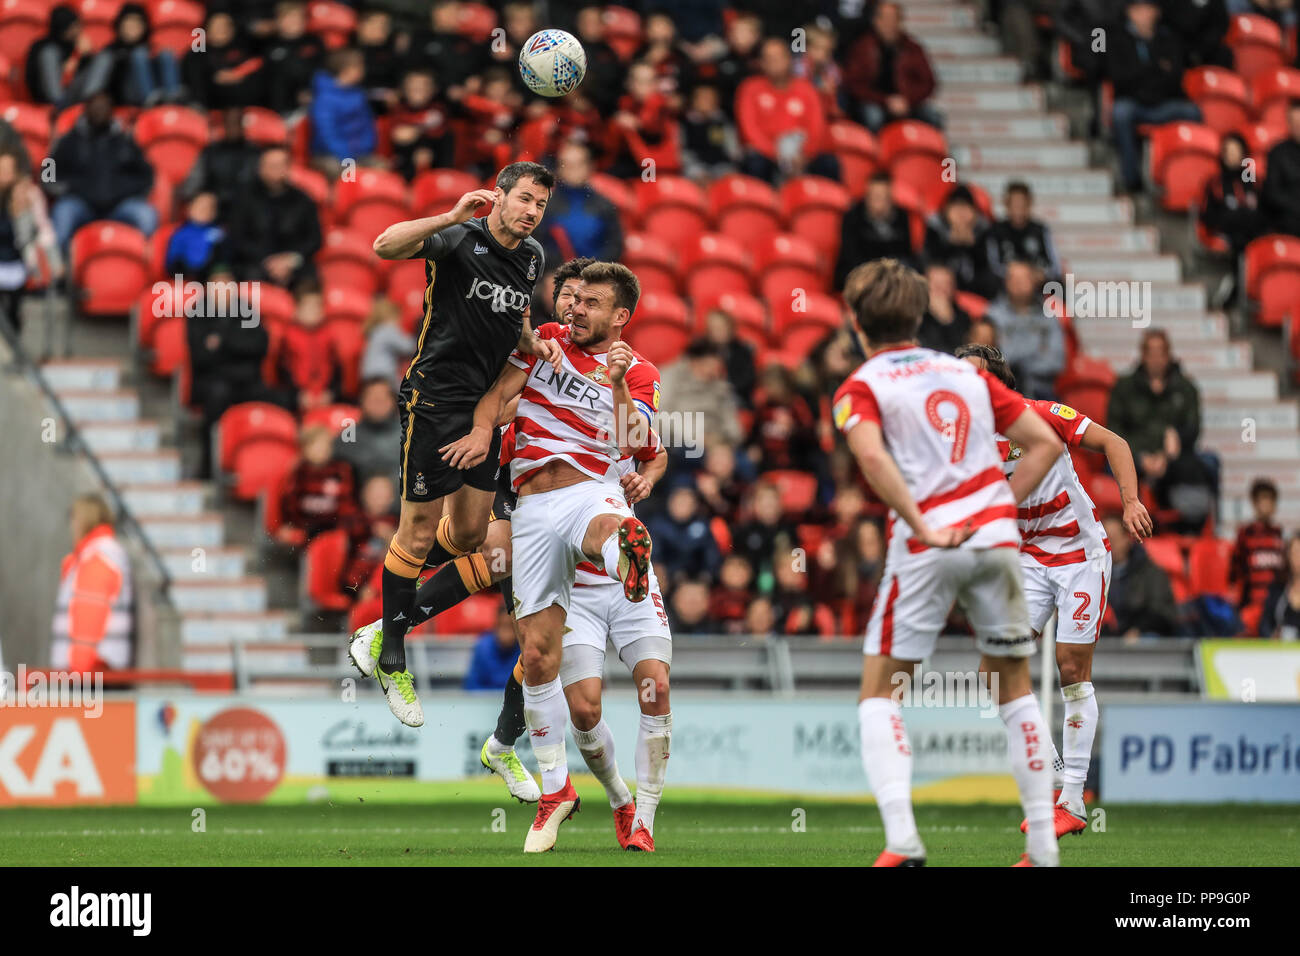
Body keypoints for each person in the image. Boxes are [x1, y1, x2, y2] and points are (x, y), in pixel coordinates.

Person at [833, 257, 1065, 867]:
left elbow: (874, 463)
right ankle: (1043, 848)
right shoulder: (967, 373)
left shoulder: (861, 386)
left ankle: (904, 841)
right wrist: (998, 508)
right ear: (920, 314)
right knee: (1014, 686)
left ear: (857, 322)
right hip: (995, 540)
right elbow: (1046, 442)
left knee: (881, 691)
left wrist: (922, 524)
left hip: (925, 544)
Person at [433, 261, 661, 853]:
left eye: (591, 303)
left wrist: (613, 383)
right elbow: (497, 385)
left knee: (608, 525)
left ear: (620, 317)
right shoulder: (541, 342)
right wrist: (487, 424)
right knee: (536, 655)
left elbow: (637, 444)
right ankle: (557, 791)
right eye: (572, 297)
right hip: (531, 504)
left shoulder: (638, 371)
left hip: (592, 488)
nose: (575, 308)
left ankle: (624, 558)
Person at [358, 161, 559, 726]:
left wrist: (532, 343)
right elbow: (382, 245)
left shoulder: (533, 257)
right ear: (497, 196)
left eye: (540, 205)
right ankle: (391, 656)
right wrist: (446, 215)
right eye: (523, 199)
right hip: (434, 401)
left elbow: (511, 320)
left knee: (471, 535)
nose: (530, 211)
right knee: (418, 531)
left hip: (484, 410)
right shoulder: (459, 237)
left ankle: (387, 621)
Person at [958, 343, 1152, 838]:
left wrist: (1129, 501)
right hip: (1028, 560)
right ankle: (1056, 780)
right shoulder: (965, 443)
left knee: (1070, 667)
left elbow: (1116, 443)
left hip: (1081, 556)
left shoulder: (1041, 416)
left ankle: (1072, 801)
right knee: (994, 671)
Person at [1106, 329, 1213, 529]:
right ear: (1143, 355)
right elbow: (1114, 429)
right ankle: (1123, 527)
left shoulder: (1186, 387)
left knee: (1208, 464)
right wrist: (1140, 457)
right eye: (1151, 353)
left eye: (1161, 353)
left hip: (1173, 461)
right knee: (1110, 465)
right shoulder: (1124, 387)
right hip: (1132, 457)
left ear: (1169, 355)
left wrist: (1176, 439)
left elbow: (1193, 428)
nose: (1156, 359)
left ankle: (1193, 529)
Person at [1108, 1, 1202, 193]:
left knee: (1192, 112)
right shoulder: (1116, 38)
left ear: (1156, 13)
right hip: (1134, 103)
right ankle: (1131, 178)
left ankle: (1187, 178)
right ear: (1130, 13)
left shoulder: (1169, 38)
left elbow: (1175, 77)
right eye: (1138, 9)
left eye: (1148, 9)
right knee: (1120, 113)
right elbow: (1118, 78)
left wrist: (1144, 74)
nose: (1143, 15)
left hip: (1163, 103)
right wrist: (1154, 69)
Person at [48, 92, 157, 250]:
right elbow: (47, 169)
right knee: (63, 214)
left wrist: (129, 190)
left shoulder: (125, 141)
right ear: (85, 110)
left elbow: (147, 173)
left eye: (104, 107)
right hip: (80, 203)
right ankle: (60, 270)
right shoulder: (69, 140)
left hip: (120, 205)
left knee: (146, 216)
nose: (100, 111)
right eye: (95, 107)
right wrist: (65, 188)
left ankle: (143, 267)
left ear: (112, 112)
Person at [735, 37, 839, 183]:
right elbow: (749, 130)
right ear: (761, 63)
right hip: (767, 153)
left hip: (802, 153)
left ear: (789, 59)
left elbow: (817, 128)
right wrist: (777, 154)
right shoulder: (750, 88)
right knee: (755, 163)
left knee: (829, 163)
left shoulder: (806, 88)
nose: (774, 62)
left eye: (779, 57)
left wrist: (805, 154)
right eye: (769, 58)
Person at [51, 494, 133, 673]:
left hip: (90, 671)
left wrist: (78, 672)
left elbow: (88, 617)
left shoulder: (96, 558)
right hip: (95, 669)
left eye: (72, 518)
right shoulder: (102, 554)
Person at [841, 2, 941, 132]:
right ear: (876, 21)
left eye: (894, 19)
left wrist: (907, 100)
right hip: (874, 101)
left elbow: (928, 82)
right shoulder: (862, 47)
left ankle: (926, 151)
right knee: (873, 116)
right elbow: (853, 83)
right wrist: (885, 100)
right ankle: (873, 151)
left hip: (906, 102)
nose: (890, 24)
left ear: (900, 22)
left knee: (933, 117)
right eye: (886, 19)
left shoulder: (912, 48)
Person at [229, 145, 321, 287]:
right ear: (260, 168)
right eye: (270, 165)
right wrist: (268, 261)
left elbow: (314, 239)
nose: (275, 170)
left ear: (288, 168)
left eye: (279, 165)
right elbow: (237, 238)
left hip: (293, 263)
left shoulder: (303, 200)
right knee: (248, 278)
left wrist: (290, 260)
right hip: (255, 262)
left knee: (310, 282)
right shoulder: (244, 199)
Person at [0, 149, 63, 336]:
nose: (2, 175)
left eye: (6, 170)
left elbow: (44, 232)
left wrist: (56, 262)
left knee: (13, 308)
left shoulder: (29, 195)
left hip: (19, 263)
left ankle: (14, 340)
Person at [984, 259, 1065, 400]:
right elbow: (995, 360)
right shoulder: (994, 314)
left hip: (1042, 389)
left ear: (1034, 280)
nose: (1018, 284)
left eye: (1023, 278)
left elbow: (1056, 360)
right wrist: (1037, 351)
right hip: (1005, 389)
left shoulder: (1049, 313)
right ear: (1005, 281)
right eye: (1013, 278)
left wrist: (1018, 364)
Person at [1202, 131, 1266, 306]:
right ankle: (1237, 290)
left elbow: (1262, 213)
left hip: (1251, 234)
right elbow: (1209, 217)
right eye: (1228, 152)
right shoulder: (1215, 183)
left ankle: (1243, 289)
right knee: (1240, 243)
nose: (1232, 156)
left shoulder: (1254, 183)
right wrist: (1237, 217)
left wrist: (1242, 216)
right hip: (1227, 233)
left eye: (1236, 151)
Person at [534, 140, 623, 265]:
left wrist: (594, 270)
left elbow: (615, 246)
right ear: (559, 168)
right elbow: (536, 245)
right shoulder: (545, 206)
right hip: (556, 277)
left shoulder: (604, 205)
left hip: (596, 277)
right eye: (567, 165)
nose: (573, 170)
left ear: (590, 167)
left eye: (578, 164)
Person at [1100, 514, 1180, 637]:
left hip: (1144, 636)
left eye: (1114, 539)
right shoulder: (1093, 574)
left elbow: (1162, 612)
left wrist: (1138, 630)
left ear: (1127, 540)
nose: (1110, 545)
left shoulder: (1151, 573)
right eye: (1105, 540)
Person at [178, 108, 261, 224]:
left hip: (245, 204)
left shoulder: (255, 153)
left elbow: (261, 185)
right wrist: (198, 197)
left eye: (236, 123)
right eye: (229, 123)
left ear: (243, 126)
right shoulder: (210, 151)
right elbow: (193, 184)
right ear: (224, 125)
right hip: (214, 204)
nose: (233, 128)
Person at [834, 173, 918, 289]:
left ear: (891, 198)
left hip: (894, 281)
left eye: (884, 198)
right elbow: (850, 258)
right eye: (875, 197)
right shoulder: (852, 217)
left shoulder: (902, 217)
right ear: (867, 197)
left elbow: (906, 255)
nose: (879, 204)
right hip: (861, 281)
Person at [277, 425, 356, 544]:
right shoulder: (299, 472)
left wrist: (344, 526)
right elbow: (290, 501)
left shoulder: (340, 470)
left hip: (333, 525)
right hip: (306, 525)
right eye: (315, 445)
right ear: (304, 449)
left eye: (325, 445)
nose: (321, 449)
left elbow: (346, 502)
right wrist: (291, 524)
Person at [26, 5, 113, 108]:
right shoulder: (41, 47)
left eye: (77, 26)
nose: (76, 30)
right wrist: (71, 61)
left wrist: (86, 55)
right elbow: (33, 78)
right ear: (61, 29)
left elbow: (91, 77)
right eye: (72, 27)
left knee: (105, 57)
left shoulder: (80, 45)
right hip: (50, 97)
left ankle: (90, 107)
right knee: (49, 53)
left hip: (77, 95)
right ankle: (58, 105)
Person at [309, 48, 379, 175]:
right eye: (359, 66)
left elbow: (368, 125)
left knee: (382, 171)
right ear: (346, 69)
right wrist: (349, 159)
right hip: (331, 156)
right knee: (349, 176)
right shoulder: (324, 99)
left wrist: (365, 149)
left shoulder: (359, 94)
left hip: (360, 154)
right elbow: (328, 136)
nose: (363, 69)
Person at [922, 185, 999, 300]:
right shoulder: (935, 228)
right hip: (941, 293)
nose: (961, 214)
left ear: (975, 213)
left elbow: (989, 267)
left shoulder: (983, 229)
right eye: (956, 208)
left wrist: (971, 246)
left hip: (976, 293)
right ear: (946, 210)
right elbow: (929, 262)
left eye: (965, 208)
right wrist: (951, 244)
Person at [1231, 478, 1287, 629]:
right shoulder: (1245, 535)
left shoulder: (1279, 535)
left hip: (1274, 606)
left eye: (1271, 500)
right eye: (1263, 500)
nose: (1267, 505)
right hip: (1251, 606)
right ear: (1254, 503)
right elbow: (1236, 572)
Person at [102, 3, 182, 106]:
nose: (133, 26)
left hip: (159, 92)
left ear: (145, 27)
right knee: (139, 54)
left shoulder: (150, 49)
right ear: (120, 25)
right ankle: (150, 99)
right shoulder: (111, 50)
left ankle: (173, 99)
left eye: (138, 22)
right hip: (126, 96)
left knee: (166, 54)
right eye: (129, 21)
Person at [333, 377, 402, 488]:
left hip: (401, 501)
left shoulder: (410, 435)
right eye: (373, 399)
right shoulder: (349, 436)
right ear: (362, 402)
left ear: (393, 402)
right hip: (358, 501)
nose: (378, 404)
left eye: (382, 399)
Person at [259, 0, 326, 114]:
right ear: (278, 21)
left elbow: (324, 72)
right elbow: (267, 81)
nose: (294, 21)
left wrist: (310, 90)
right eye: (289, 17)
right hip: (279, 109)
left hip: (314, 106)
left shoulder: (314, 42)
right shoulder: (268, 45)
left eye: (299, 17)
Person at [987, 182, 1061, 283]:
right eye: (1014, 204)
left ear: (1029, 204)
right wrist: (1015, 274)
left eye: (1022, 204)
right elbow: (991, 266)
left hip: (1038, 286)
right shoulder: (995, 231)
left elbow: (1055, 267)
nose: (1018, 210)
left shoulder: (1041, 230)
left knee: (1059, 286)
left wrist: (1040, 274)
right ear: (1006, 204)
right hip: (1006, 286)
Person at [164, 192, 228, 280]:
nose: (204, 210)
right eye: (200, 206)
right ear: (189, 208)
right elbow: (173, 264)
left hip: (213, 277)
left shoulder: (218, 233)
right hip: (188, 277)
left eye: (209, 208)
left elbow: (224, 258)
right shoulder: (181, 234)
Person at [1261, 99, 1300, 238]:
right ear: (1288, 124)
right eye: (1294, 123)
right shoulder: (1277, 152)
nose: (1298, 127)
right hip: (1287, 219)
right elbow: (1271, 192)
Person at [917, 263, 972, 355]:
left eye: (946, 284)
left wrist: (948, 320)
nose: (941, 290)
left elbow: (962, 352)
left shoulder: (963, 317)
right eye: (937, 285)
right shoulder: (914, 316)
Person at [464, 609, 524, 691]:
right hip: (485, 701)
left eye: (511, 627)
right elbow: (472, 687)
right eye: (503, 626)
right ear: (496, 626)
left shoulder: (523, 650)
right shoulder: (483, 648)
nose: (506, 633)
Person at [1259, 534, 1300, 640]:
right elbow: (1265, 624)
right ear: (1288, 555)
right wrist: (1272, 636)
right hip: (1281, 652)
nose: (1298, 558)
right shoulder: (1278, 588)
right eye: (1295, 553)